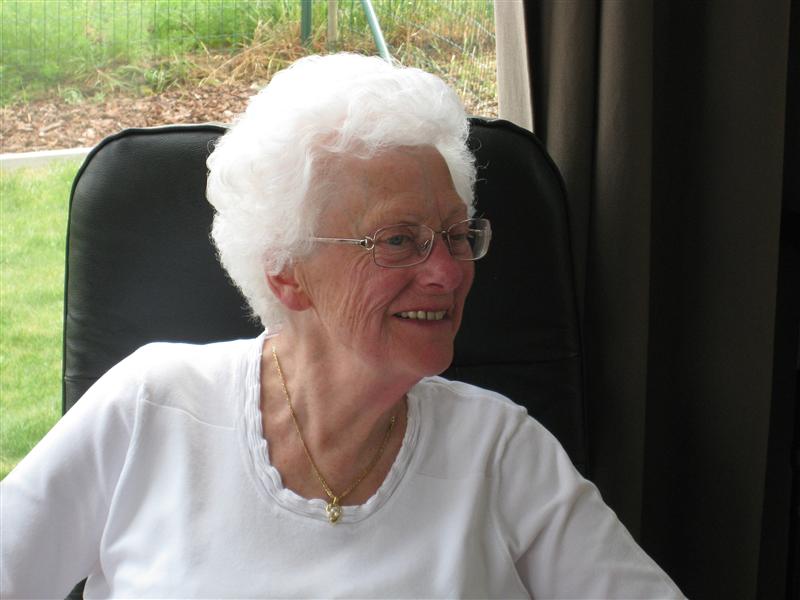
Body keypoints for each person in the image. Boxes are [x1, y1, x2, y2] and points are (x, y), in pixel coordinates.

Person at [1, 53, 684, 599]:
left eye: (455, 234)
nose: (447, 272)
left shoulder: (499, 452)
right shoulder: (151, 409)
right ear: (285, 273)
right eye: (398, 240)